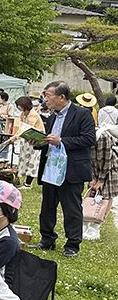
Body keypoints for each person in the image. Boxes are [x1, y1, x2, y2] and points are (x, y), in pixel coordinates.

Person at [36, 81, 96, 257]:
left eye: (48, 95)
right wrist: (38, 142)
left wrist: (61, 141)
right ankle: (47, 239)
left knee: (71, 208)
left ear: (61, 97)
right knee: (47, 206)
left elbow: (88, 139)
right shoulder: (52, 116)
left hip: (71, 168)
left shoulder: (82, 114)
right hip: (51, 167)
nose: (45, 99)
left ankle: (72, 244)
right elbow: (49, 140)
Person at [86, 123, 118, 240]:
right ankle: (86, 222)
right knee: (92, 193)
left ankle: (96, 226)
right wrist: (93, 177)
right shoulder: (85, 135)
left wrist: (100, 179)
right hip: (94, 168)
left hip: (109, 169)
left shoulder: (102, 136)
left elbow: (106, 159)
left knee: (106, 197)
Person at [8, 96, 46, 188]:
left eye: (19, 105)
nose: (18, 107)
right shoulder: (23, 114)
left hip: (35, 140)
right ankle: (25, 181)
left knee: (32, 160)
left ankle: (28, 183)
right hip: (26, 139)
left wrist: (15, 137)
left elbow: (28, 129)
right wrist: (14, 136)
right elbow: (21, 128)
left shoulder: (33, 114)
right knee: (24, 159)